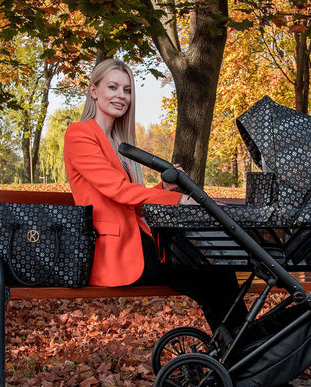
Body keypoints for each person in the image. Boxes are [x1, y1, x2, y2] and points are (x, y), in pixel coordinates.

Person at [63, 58, 247, 333]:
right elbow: (118, 191)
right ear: (93, 91)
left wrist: (164, 190)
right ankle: (244, 358)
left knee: (218, 272)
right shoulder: (80, 135)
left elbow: (128, 199)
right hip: (114, 251)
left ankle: (242, 354)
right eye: (113, 87)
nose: (121, 96)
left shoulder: (118, 141)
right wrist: (180, 200)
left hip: (140, 241)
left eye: (127, 90)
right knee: (212, 273)